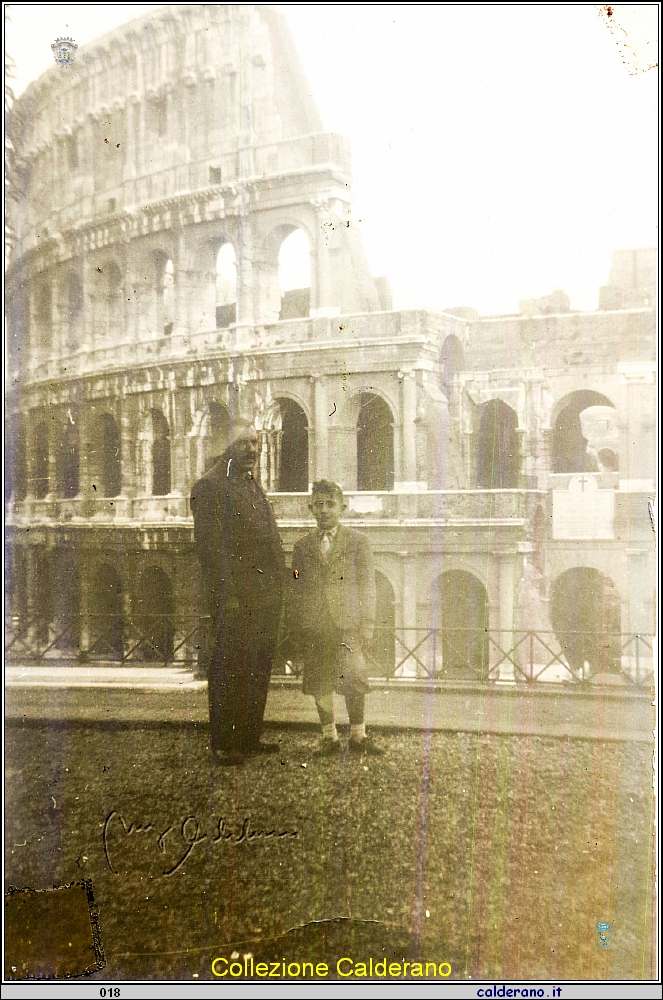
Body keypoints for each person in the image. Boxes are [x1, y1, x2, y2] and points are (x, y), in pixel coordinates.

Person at [190, 419, 285, 766]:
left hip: (263, 597)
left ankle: (248, 738)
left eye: (255, 443)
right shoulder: (210, 487)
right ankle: (224, 744)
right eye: (243, 443)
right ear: (225, 446)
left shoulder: (249, 484)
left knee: (257, 666)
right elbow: (211, 551)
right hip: (235, 598)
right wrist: (227, 598)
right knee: (230, 668)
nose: (252, 450)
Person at [287, 480, 383, 756]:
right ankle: (328, 738)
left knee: (354, 677)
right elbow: (296, 584)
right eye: (319, 505)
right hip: (316, 626)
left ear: (343, 507)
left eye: (330, 504)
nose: (324, 510)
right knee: (319, 680)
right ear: (310, 508)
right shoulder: (302, 547)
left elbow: (368, 586)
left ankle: (358, 736)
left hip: (348, 624)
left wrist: (367, 625)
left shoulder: (359, 543)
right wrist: (299, 625)